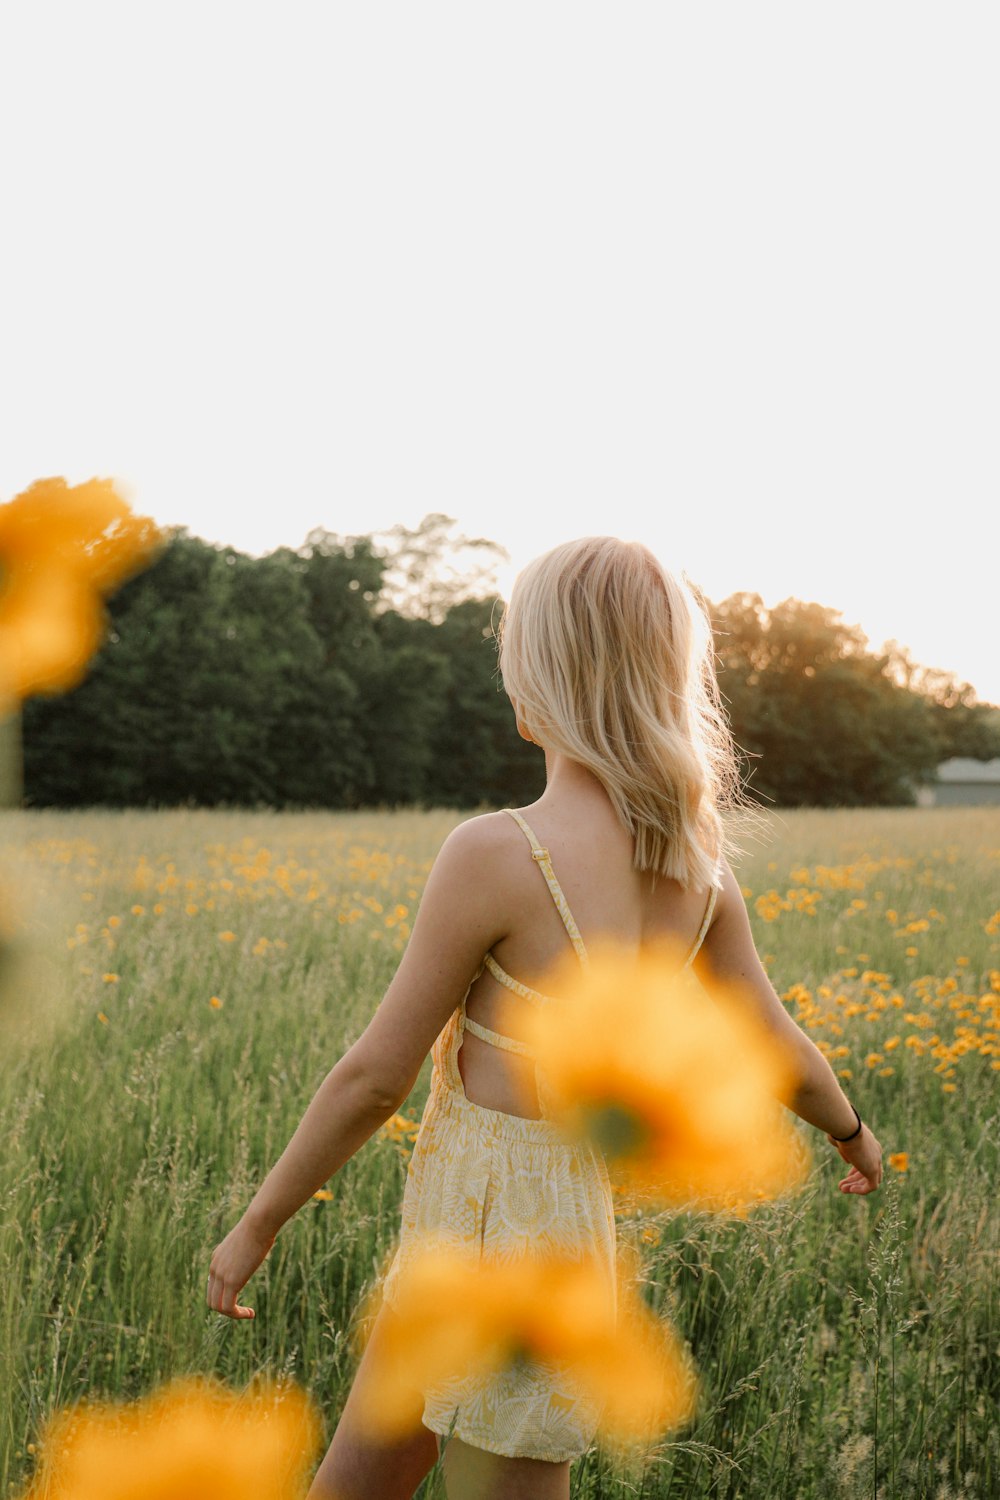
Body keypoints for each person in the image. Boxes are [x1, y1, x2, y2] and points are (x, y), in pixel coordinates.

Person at [206, 536, 883, 1500]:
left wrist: (259, 1224)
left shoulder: (496, 853)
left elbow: (375, 1077)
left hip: (485, 1242)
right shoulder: (698, 878)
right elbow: (774, 1043)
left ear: (543, 681)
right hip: (555, 1241)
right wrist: (851, 1132)